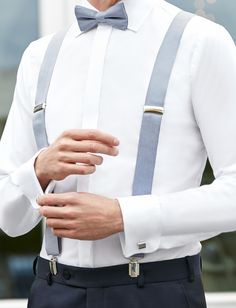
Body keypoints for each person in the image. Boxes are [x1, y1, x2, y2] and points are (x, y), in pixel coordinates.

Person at [1, 0, 236, 306]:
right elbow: (9, 217)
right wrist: (38, 169)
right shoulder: (38, 56)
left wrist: (123, 217)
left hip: (156, 293)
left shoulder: (202, 41)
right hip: (52, 290)